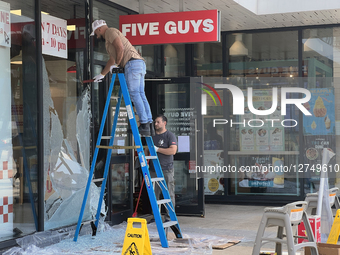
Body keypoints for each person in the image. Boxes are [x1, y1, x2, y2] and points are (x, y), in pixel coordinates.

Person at [90, 20, 154, 137]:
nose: (97, 36)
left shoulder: (110, 31)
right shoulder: (109, 40)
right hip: (138, 63)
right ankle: (149, 125)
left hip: (132, 64)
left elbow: (120, 48)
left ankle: (144, 124)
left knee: (135, 93)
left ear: (99, 29)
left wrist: (116, 65)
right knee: (140, 94)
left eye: (96, 33)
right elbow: (112, 60)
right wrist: (102, 74)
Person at [151, 114, 177, 209]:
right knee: (154, 196)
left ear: (164, 123)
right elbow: (146, 150)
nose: (156, 124)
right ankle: (155, 217)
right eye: (155, 122)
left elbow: (173, 151)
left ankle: (169, 217)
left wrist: (158, 149)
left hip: (166, 169)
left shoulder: (170, 135)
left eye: (158, 122)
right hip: (153, 170)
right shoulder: (152, 136)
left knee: (169, 194)